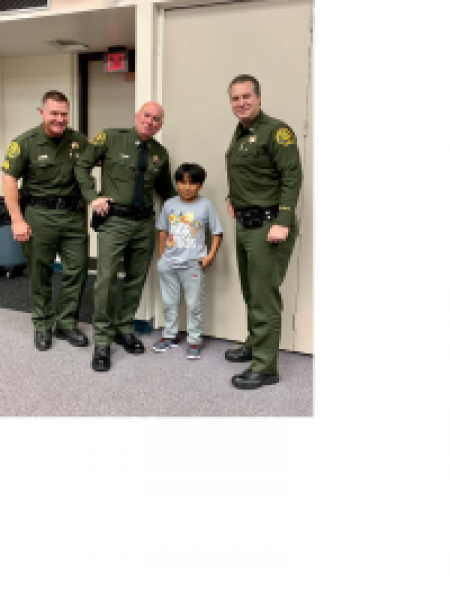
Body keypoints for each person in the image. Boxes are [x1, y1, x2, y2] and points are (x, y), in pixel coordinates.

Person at [75, 101, 177, 372]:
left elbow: (166, 189)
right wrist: (92, 197)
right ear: (136, 116)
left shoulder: (160, 153)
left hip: (144, 222)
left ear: (161, 124)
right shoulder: (110, 137)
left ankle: (123, 328)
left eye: (156, 119)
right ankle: (102, 340)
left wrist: (185, 214)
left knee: (136, 278)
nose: (150, 121)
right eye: (147, 115)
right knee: (106, 279)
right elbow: (82, 165)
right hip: (115, 220)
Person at [224, 74, 302, 390]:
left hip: (270, 225)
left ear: (258, 97)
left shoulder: (276, 131)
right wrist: (233, 197)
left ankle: (266, 367)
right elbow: (249, 173)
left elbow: (291, 177)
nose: (241, 102)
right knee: (250, 291)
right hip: (246, 223)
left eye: (246, 96)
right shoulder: (242, 132)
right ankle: (256, 343)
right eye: (235, 98)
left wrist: (283, 220)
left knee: (264, 297)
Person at [1, 90, 89, 351]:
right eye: (54, 113)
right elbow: (9, 181)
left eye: (64, 114)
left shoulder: (78, 141)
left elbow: (97, 164)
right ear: (42, 113)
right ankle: (42, 323)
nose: (60, 119)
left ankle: (66, 323)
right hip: (39, 216)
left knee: (78, 269)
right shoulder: (25, 143)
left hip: (73, 216)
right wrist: (17, 219)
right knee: (41, 272)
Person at [153, 163, 223, 359]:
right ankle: (169, 335)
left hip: (193, 264)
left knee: (194, 305)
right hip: (169, 263)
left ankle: (194, 340)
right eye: (182, 183)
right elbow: (162, 231)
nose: (187, 187)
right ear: (177, 184)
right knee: (169, 302)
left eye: (192, 183)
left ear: (200, 185)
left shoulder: (206, 205)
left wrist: (210, 256)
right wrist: (161, 258)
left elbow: (217, 233)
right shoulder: (169, 204)